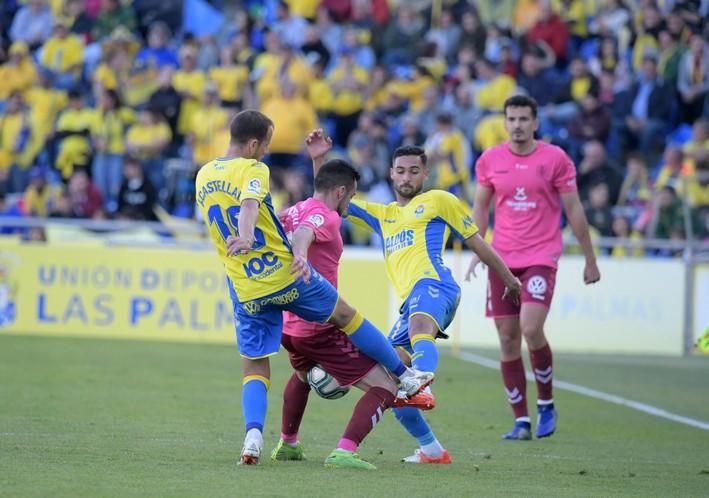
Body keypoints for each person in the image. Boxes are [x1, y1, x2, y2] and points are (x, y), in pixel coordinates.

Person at [195, 110, 433, 466]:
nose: (265, 153)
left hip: (244, 286)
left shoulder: (203, 175)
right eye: (267, 146)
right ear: (255, 143)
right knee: (346, 315)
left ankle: (254, 437)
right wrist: (252, 236)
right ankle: (406, 377)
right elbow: (272, 211)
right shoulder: (254, 169)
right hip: (284, 277)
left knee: (256, 368)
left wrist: (318, 161)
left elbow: (310, 208)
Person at [308, 134, 522, 463]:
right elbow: (329, 198)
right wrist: (319, 160)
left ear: (425, 175)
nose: (406, 177)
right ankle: (432, 450)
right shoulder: (382, 214)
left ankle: (422, 386)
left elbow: (476, 241)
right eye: (401, 171)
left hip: (436, 286)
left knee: (419, 327)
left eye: (413, 171)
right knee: (388, 379)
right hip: (410, 303)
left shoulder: (439, 200)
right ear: (391, 174)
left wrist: (507, 277)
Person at [469, 95, 601, 441]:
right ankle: (521, 422)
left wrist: (590, 258)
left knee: (530, 328)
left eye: (524, 119)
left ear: (536, 122)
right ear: (505, 122)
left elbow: (574, 209)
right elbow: (480, 209)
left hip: (541, 257)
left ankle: (546, 403)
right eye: (511, 118)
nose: (517, 125)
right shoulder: (490, 160)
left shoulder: (555, 159)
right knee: (507, 339)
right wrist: (476, 248)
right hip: (501, 260)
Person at [264, 158, 399, 470]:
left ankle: (288, 443)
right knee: (385, 386)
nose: (350, 204)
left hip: (289, 325)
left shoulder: (298, 208)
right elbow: (308, 232)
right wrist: (299, 255)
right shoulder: (329, 218)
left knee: (300, 376)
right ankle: (345, 451)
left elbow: (288, 224)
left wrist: (317, 160)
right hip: (317, 326)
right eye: (351, 197)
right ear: (341, 192)